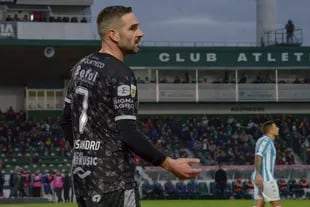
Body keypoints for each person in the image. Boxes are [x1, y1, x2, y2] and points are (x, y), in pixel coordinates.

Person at [60, 5, 201, 207]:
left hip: (84, 183)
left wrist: (87, 154)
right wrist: (169, 164)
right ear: (114, 35)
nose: (140, 33)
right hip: (114, 183)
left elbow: (65, 121)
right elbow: (128, 133)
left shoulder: (80, 67)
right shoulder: (120, 73)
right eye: (133, 28)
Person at [251, 120, 281, 207]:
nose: (278, 128)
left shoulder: (265, 140)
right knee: (277, 205)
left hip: (260, 177)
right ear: (271, 130)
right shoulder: (266, 140)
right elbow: (258, 156)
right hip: (265, 178)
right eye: (275, 127)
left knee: (259, 205)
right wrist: (259, 174)